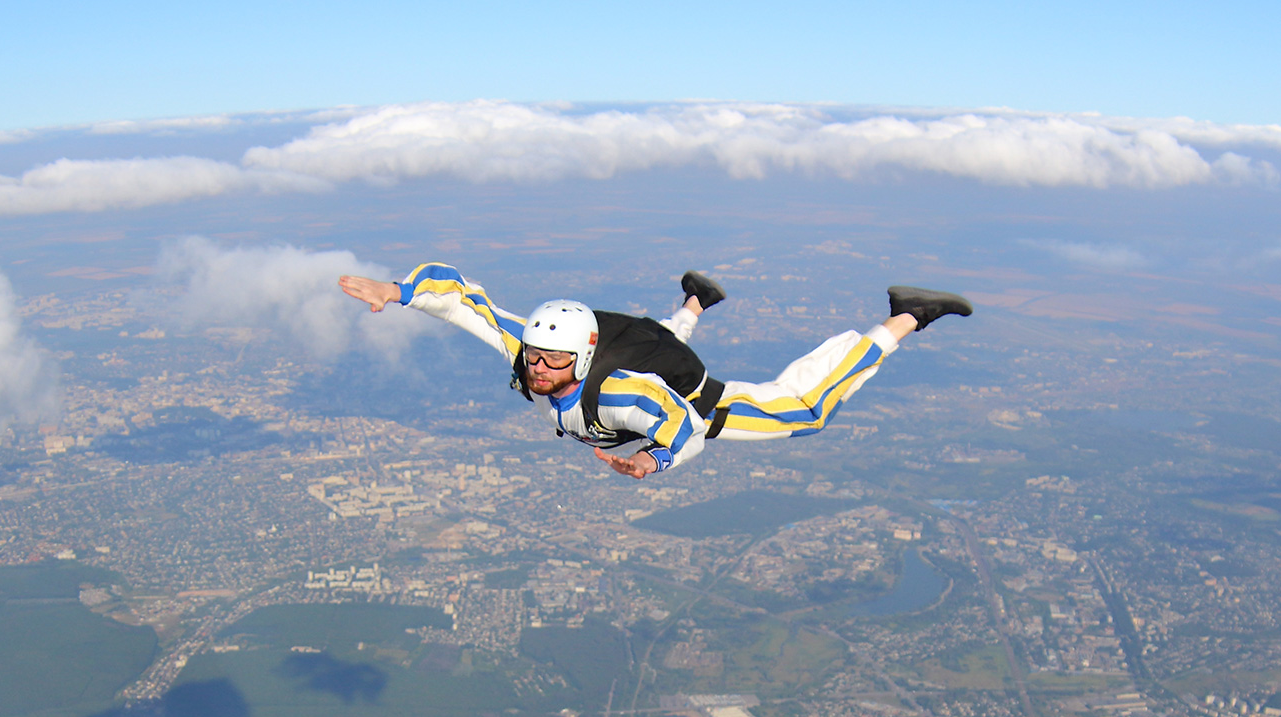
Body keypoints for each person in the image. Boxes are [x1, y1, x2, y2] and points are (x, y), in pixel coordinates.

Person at [338, 263, 971, 479]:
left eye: (555, 360)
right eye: (533, 355)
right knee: (663, 336)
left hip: (693, 393)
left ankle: (905, 316)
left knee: (805, 411)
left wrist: (653, 460)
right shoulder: (528, 349)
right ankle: (697, 297)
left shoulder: (624, 395)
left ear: (583, 357)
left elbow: (685, 427)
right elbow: (466, 299)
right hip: (644, 348)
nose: (538, 369)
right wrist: (398, 291)